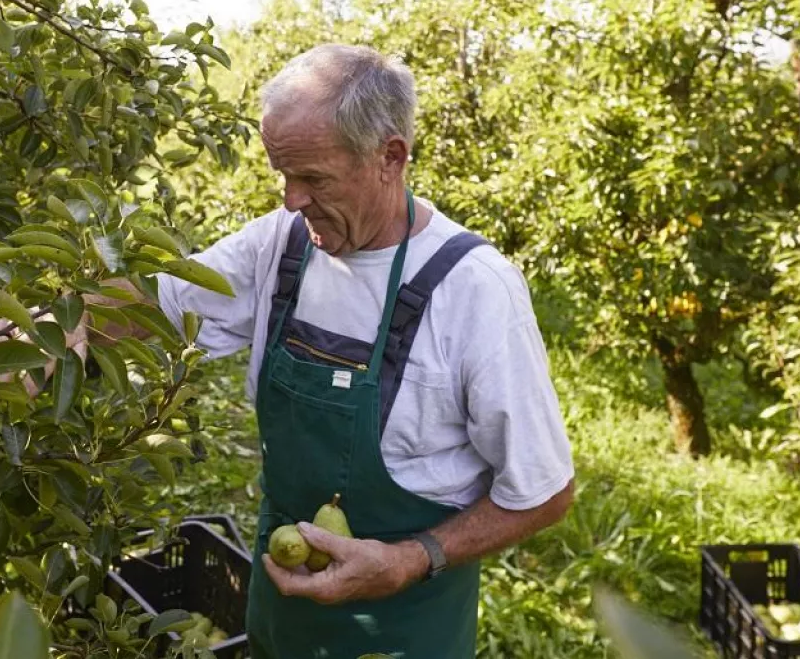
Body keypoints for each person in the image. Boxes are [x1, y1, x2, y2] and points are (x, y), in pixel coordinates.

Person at [147, 43, 575, 658]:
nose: (292, 199)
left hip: (404, 627)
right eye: (283, 176)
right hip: (284, 614)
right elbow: (157, 302)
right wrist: (42, 332)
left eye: (313, 178)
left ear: (390, 156)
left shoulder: (473, 289)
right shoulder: (283, 244)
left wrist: (411, 558)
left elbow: (545, 492)